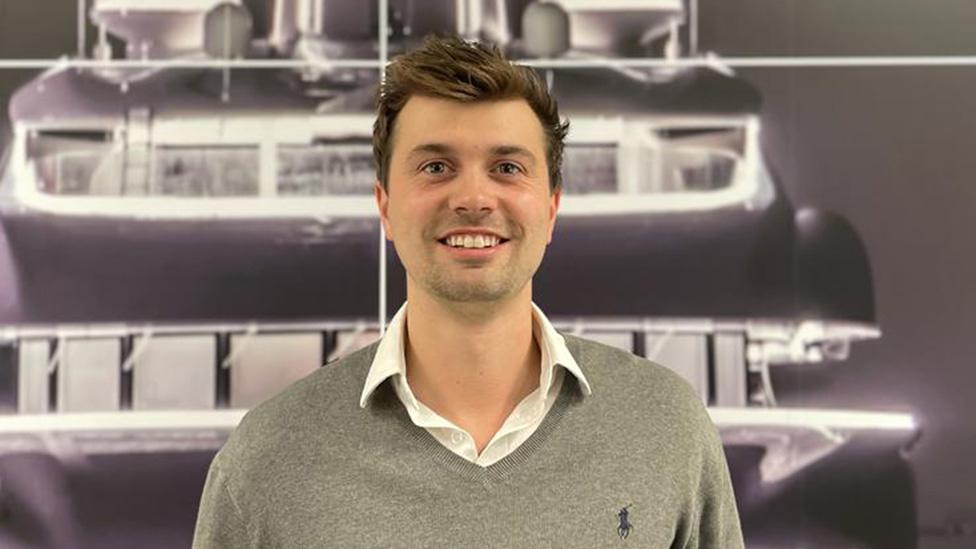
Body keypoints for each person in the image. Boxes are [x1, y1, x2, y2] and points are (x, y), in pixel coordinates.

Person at [192, 35, 744, 548]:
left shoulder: (665, 427)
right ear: (385, 206)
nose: (474, 197)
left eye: (507, 167)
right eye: (436, 166)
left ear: (551, 208)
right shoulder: (265, 462)